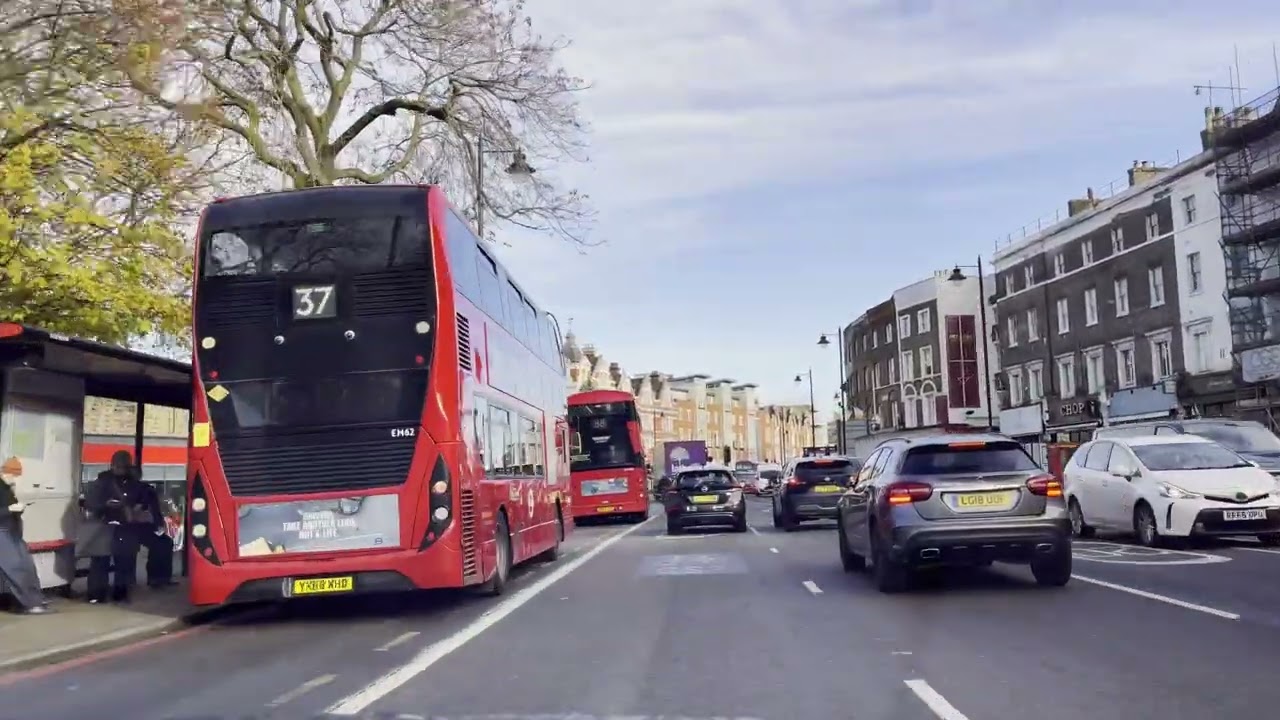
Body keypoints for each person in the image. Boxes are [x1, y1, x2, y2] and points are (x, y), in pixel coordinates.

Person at [0, 457, 53, 614]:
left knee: (26, 565)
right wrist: (11, 510)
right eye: (15, 475)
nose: (16, 479)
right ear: (7, 472)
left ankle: (34, 599)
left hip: (11, 532)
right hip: (3, 532)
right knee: (17, 567)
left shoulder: (6, 487)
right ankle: (31, 603)